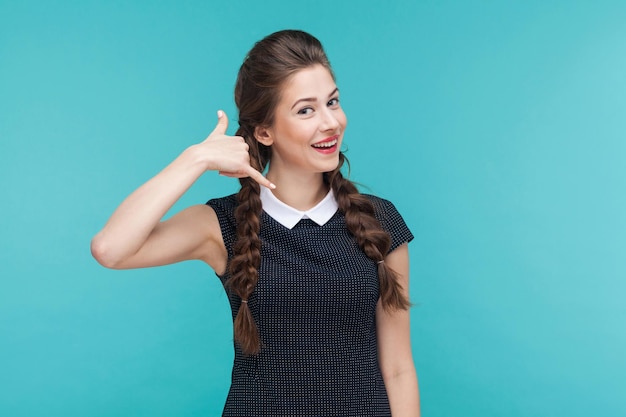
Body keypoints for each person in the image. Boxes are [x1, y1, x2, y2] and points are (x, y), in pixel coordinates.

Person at [91, 29, 420, 416]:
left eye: (333, 101)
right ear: (264, 131)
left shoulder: (379, 221)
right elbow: (110, 249)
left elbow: (398, 368)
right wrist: (194, 159)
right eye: (306, 110)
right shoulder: (220, 226)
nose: (331, 122)